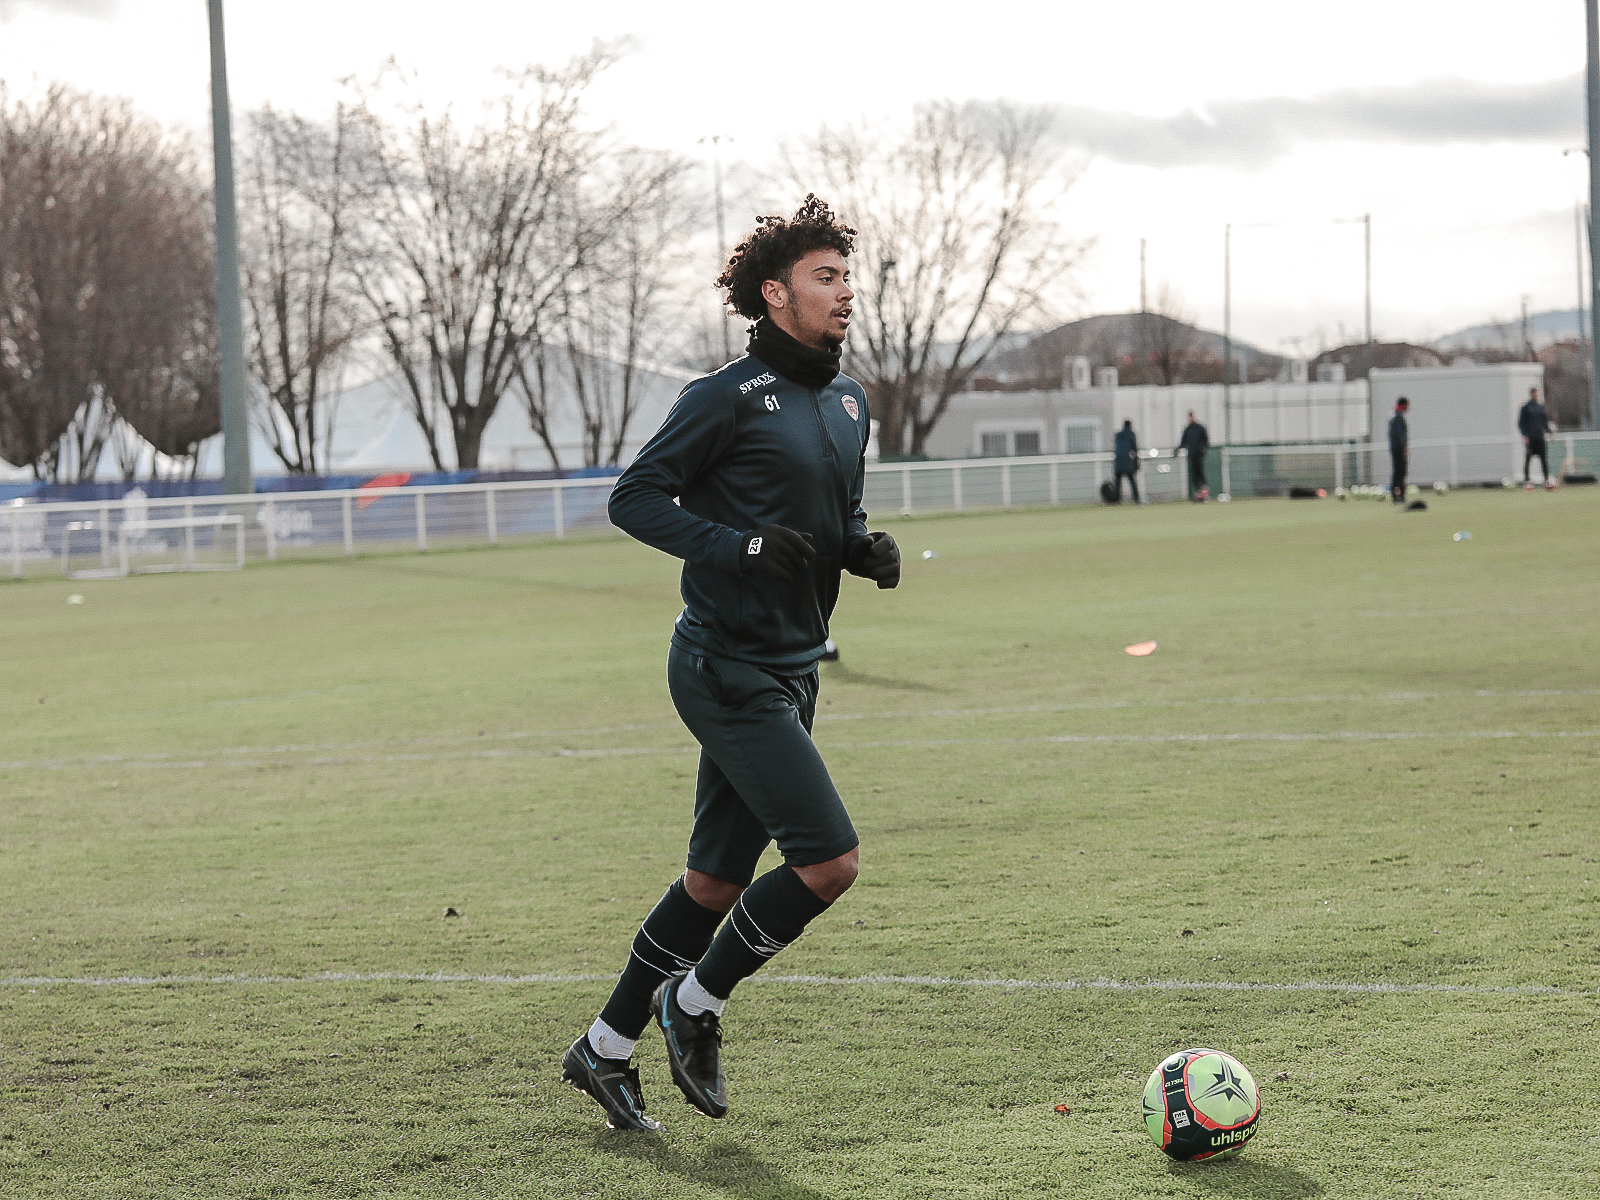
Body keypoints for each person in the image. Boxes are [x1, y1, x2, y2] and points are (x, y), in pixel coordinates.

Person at [561, 196, 900, 1132]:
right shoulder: (720, 396)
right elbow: (634, 499)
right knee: (829, 863)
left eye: (846, 277)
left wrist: (859, 549)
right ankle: (696, 1002)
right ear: (774, 292)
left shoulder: (847, 398)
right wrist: (738, 549)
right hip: (723, 667)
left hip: (793, 669)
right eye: (825, 279)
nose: (844, 294)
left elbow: (833, 517)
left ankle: (604, 1048)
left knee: (713, 882)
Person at [1518, 386, 1554, 488]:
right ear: (1531, 394)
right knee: (1528, 459)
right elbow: (1521, 423)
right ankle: (1527, 481)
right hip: (1530, 437)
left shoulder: (1540, 407)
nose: (1536, 395)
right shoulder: (1526, 408)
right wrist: (1525, 435)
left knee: (1543, 459)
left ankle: (1547, 480)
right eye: (1535, 393)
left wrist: (1549, 432)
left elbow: (1544, 422)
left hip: (1540, 437)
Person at [1176, 411, 1210, 501]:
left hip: (1199, 456)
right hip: (1192, 456)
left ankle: (1205, 493)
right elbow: (1183, 441)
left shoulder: (1200, 428)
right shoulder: (1187, 429)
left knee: (1200, 474)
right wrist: (1178, 448)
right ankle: (1198, 493)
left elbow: (1206, 440)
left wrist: (1202, 448)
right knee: (1194, 475)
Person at [1113, 419, 1141, 503]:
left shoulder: (1118, 435)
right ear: (1130, 425)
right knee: (1132, 481)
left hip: (1118, 462)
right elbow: (1134, 449)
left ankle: (1117, 500)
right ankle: (1136, 499)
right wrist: (1136, 462)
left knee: (1118, 483)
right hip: (1127, 462)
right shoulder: (1131, 435)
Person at [1388, 397, 1409, 503]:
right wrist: (1403, 447)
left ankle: (1395, 495)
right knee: (1400, 472)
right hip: (1398, 449)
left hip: (1394, 448)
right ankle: (1399, 496)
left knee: (1397, 472)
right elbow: (1400, 434)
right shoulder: (1398, 417)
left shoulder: (1393, 415)